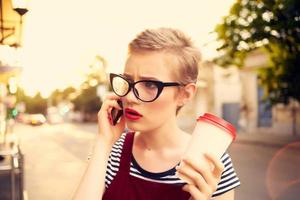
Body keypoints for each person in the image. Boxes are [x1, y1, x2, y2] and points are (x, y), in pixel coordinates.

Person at [72, 27, 240, 200]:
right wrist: (103, 141)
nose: (129, 96)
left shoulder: (209, 164)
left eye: (150, 85)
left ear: (185, 94)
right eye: (128, 81)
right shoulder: (112, 151)